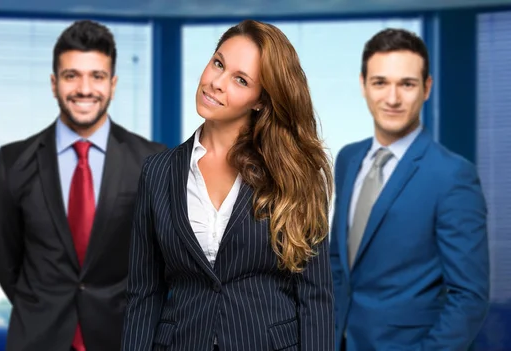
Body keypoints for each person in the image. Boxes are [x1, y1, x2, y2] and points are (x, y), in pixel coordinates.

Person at [121, 19, 334, 351]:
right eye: (218, 63)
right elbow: (144, 294)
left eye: (240, 79)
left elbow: (315, 297)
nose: (216, 83)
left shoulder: (295, 173)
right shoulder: (157, 172)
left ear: (260, 100)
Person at [0, 20, 166, 351]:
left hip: (123, 337)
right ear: (54, 83)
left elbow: (161, 263)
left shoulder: (152, 161)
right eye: (72, 76)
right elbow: (6, 260)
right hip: (38, 337)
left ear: (113, 84)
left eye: (97, 76)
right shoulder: (14, 162)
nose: (85, 89)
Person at [329, 28, 489, 351]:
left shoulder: (453, 175)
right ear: (363, 85)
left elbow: (469, 297)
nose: (392, 98)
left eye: (407, 84)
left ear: (427, 88)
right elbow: (338, 262)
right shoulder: (348, 158)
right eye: (380, 82)